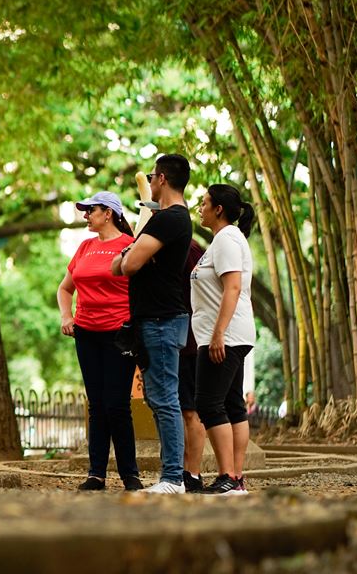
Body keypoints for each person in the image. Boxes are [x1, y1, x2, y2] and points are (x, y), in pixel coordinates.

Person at [111, 154, 193, 494]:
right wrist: (130, 255)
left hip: (161, 319)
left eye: (151, 176)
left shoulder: (168, 219)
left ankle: (173, 477)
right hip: (156, 318)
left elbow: (127, 265)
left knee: (165, 399)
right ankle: (170, 475)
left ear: (160, 178)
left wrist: (130, 253)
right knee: (160, 399)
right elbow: (122, 263)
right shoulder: (170, 220)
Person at [57, 191, 143, 492]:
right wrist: (67, 317)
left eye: (89, 210)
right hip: (86, 333)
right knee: (96, 405)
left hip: (119, 335)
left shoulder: (130, 246)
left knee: (117, 404)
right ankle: (96, 474)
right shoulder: (84, 247)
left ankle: (130, 475)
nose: (85, 215)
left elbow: (142, 289)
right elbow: (65, 289)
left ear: (108, 213)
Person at [191, 184, 257, 495]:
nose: (200, 208)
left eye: (204, 203)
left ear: (218, 209)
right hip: (227, 333)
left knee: (208, 402)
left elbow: (232, 287)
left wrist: (218, 333)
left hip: (225, 335)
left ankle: (227, 476)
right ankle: (235, 479)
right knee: (231, 403)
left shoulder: (227, 238)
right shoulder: (222, 240)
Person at [178, 239, 207, 493]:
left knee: (191, 411)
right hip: (173, 342)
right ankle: (179, 472)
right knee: (174, 411)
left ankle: (193, 473)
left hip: (190, 342)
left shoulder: (190, 249)